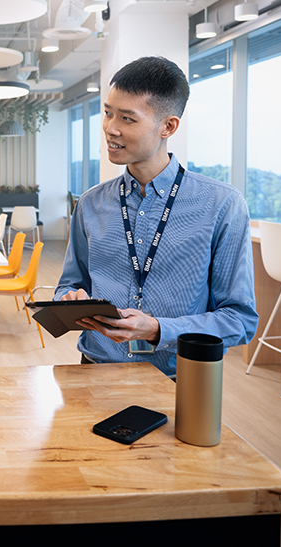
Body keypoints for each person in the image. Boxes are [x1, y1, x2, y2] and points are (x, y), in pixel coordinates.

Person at [55, 56, 258, 377]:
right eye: (107, 113)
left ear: (168, 126)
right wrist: (69, 299)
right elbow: (69, 284)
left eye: (127, 119)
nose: (111, 128)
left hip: (180, 379)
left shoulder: (222, 205)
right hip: (94, 369)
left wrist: (156, 329)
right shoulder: (90, 203)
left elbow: (239, 321)